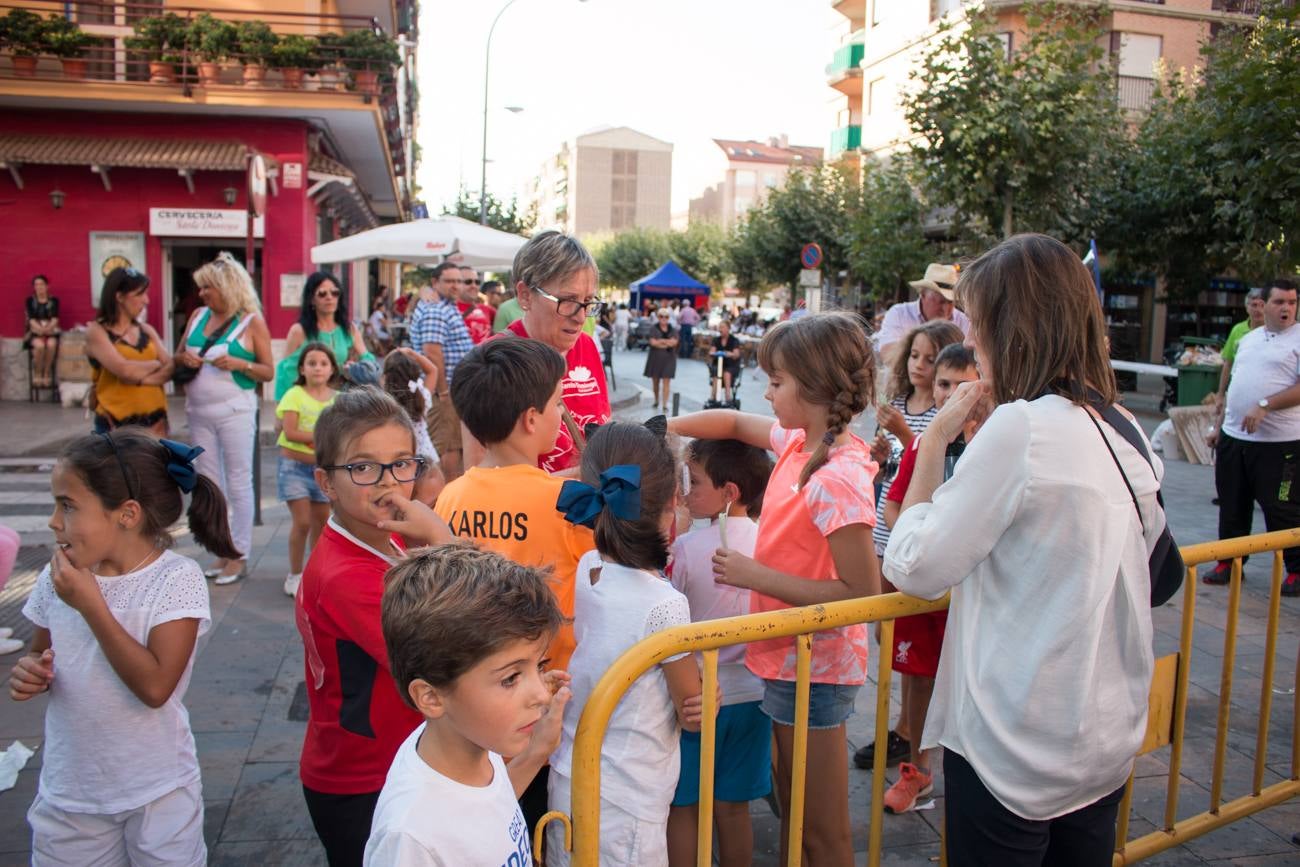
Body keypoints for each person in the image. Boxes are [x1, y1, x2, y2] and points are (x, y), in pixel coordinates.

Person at [883, 233, 1164, 866]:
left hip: (1015, 739)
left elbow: (914, 566)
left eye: (978, 325)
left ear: (1014, 328)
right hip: (1101, 732)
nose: (972, 343)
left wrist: (931, 449)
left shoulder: (1022, 427)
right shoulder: (1122, 423)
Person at [669, 312, 881, 866]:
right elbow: (736, 424)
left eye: (777, 381)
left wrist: (756, 576)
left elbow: (863, 592)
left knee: (823, 831)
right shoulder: (798, 443)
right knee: (795, 812)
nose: (767, 392)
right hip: (787, 660)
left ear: (812, 388)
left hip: (816, 665)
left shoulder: (836, 474)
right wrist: (669, 430)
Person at [8, 429, 239, 865]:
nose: (54, 521)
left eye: (68, 505)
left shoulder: (175, 580)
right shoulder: (57, 578)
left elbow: (155, 688)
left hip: (157, 790)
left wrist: (92, 605)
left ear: (127, 514)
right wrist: (31, 671)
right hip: (71, 793)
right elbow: (41, 652)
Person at [435, 337, 596, 832]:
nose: (561, 412)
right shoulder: (570, 502)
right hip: (547, 699)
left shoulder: (451, 496)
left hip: (476, 694)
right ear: (531, 419)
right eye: (556, 404)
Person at [295, 387, 453, 867]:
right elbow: (453, 648)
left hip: (392, 761)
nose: (388, 483)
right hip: (362, 779)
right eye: (363, 468)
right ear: (326, 482)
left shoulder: (385, 540)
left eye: (402, 464)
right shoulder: (348, 576)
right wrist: (443, 540)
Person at [546, 421, 704, 867]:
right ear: (673, 500)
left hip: (570, 777)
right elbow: (693, 713)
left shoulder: (590, 567)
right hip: (626, 800)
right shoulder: (666, 607)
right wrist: (707, 687)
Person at [366, 545, 572, 865]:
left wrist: (538, 751)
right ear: (431, 697)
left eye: (540, 666)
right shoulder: (410, 839)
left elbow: (485, 809)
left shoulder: (470, 736)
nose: (542, 695)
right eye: (510, 678)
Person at [878, 343, 981, 815]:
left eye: (965, 386)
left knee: (969, 677)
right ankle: (917, 770)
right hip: (924, 592)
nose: (953, 396)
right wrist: (919, 548)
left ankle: (972, 771)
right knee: (917, 680)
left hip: (972, 592)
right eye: (944, 385)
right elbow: (896, 504)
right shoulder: (924, 442)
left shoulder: (994, 443)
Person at [666, 438, 774, 867]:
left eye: (694, 482)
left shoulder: (689, 549)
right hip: (753, 693)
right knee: (734, 808)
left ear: (729, 493)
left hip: (698, 698)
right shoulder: (768, 540)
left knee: (684, 806)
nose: (687, 491)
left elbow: (670, 608)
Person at [467, 230, 612, 475]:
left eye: (588, 302)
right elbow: (482, 483)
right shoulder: (493, 361)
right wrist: (583, 477)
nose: (579, 317)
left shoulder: (586, 346)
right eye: (567, 300)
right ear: (525, 295)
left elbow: (603, 422)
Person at [175, 252, 273, 586]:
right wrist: (183, 358)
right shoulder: (198, 316)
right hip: (198, 412)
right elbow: (178, 354)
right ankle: (220, 548)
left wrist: (239, 364)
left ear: (227, 288)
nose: (202, 293)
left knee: (238, 481)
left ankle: (239, 553)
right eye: (201, 288)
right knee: (209, 484)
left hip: (235, 412)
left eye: (208, 288)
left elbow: (267, 370)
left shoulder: (251, 321)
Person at [1206, 278, 1300, 595]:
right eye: (1279, 302)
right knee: (1232, 501)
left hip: (1280, 444)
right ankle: (1229, 563)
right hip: (1235, 438)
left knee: (1281, 507)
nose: (1286, 308)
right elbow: (1236, 384)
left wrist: (1265, 405)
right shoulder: (1250, 339)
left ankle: (1296, 570)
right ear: (1263, 304)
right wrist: (1218, 427)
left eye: (1291, 302)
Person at [277, 343, 339, 598]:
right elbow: (289, 431)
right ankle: (294, 573)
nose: (317, 368)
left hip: (323, 471)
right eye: (312, 363)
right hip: (294, 469)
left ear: (332, 368)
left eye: (323, 363)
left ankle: (315, 572)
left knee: (321, 524)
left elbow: (338, 432)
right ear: (302, 368)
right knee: (301, 522)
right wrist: (319, 436)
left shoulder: (337, 399)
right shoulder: (294, 394)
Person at [85, 267, 173, 436]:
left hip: (155, 423)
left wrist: (141, 380)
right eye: (139, 294)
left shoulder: (146, 330)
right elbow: (124, 370)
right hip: (115, 425)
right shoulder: (97, 331)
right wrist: (155, 364)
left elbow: (170, 367)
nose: (146, 300)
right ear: (119, 297)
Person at [408, 263, 475, 481]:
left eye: (459, 281)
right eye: (449, 281)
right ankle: (444, 505)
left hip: (449, 390)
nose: (456, 285)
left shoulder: (445, 306)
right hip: (442, 392)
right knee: (447, 451)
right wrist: (444, 392)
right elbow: (432, 353)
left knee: (452, 446)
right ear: (435, 282)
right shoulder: (435, 310)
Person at [275, 272, 374, 401]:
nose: (329, 297)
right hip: (306, 401)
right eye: (322, 293)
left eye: (334, 293)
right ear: (311, 299)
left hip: (340, 401)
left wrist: (355, 368)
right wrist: (282, 409)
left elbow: (369, 361)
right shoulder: (299, 331)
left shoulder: (349, 329)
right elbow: (285, 372)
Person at [380, 348, 446, 507]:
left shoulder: (385, 404)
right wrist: (411, 352)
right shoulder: (422, 396)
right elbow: (433, 370)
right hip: (429, 459)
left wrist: (391, 355)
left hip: (404, 465)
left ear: (386, 377)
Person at [875, 263, 971, 364]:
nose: (945, 309)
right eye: (941, 301)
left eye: (951, 302)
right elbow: (887, 353)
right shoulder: (899, 314)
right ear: (923, 295)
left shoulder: (964, 321)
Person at [1215, 287, 1266, 404]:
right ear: (1247, 308)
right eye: (1254, 305)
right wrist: (1221, 394)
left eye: (1262, 305)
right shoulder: (1237, 330)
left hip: (1262, 393)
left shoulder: (1273, 331)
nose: (1258, 309)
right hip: (1237, 390)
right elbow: (1228, 364)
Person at [25, 274, 60, 388]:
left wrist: (47, 329)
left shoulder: (53, 300)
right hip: (35, 331)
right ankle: (38, 372)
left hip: (50, 330)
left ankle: (46, 372)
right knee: (39, 346)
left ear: (47, 286)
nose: (39, 287)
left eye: (41, 284)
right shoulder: (30, 301)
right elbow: (31, 319)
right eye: (36, 285)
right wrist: (40, 329)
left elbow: (55, 318)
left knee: (51, 344)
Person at [644, 308, 679, 411]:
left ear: (669, 318)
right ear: (658, 317)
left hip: (669, 359)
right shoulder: (653, 328)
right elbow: (653, 343)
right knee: (655, 382)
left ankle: (665, 404)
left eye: (666, 316)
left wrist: (660, 341)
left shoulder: (673, 329)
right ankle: (656, 400)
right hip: (655, 358)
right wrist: (667, 342)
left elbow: (674, 343)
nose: (664, 318)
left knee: (666, 381)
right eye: (661, 316)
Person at [458, 266, 496, 345]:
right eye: (468, 282)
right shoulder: (447, 310)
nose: (474, 286)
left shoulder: (488, 309)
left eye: (477, 282)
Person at [711, 318, 743, 404]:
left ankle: (728, 397)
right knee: (716, 373)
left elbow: (736, 354)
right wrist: (715, 353)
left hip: (731, 365)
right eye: (719, 327)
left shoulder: (734, 340)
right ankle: (714, 397)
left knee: (727, 373)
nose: (720, 329)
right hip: (719, 364)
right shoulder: (716, 340)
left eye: (722, 327)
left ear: (728, 328)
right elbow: (712, 351)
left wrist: (730, 354)